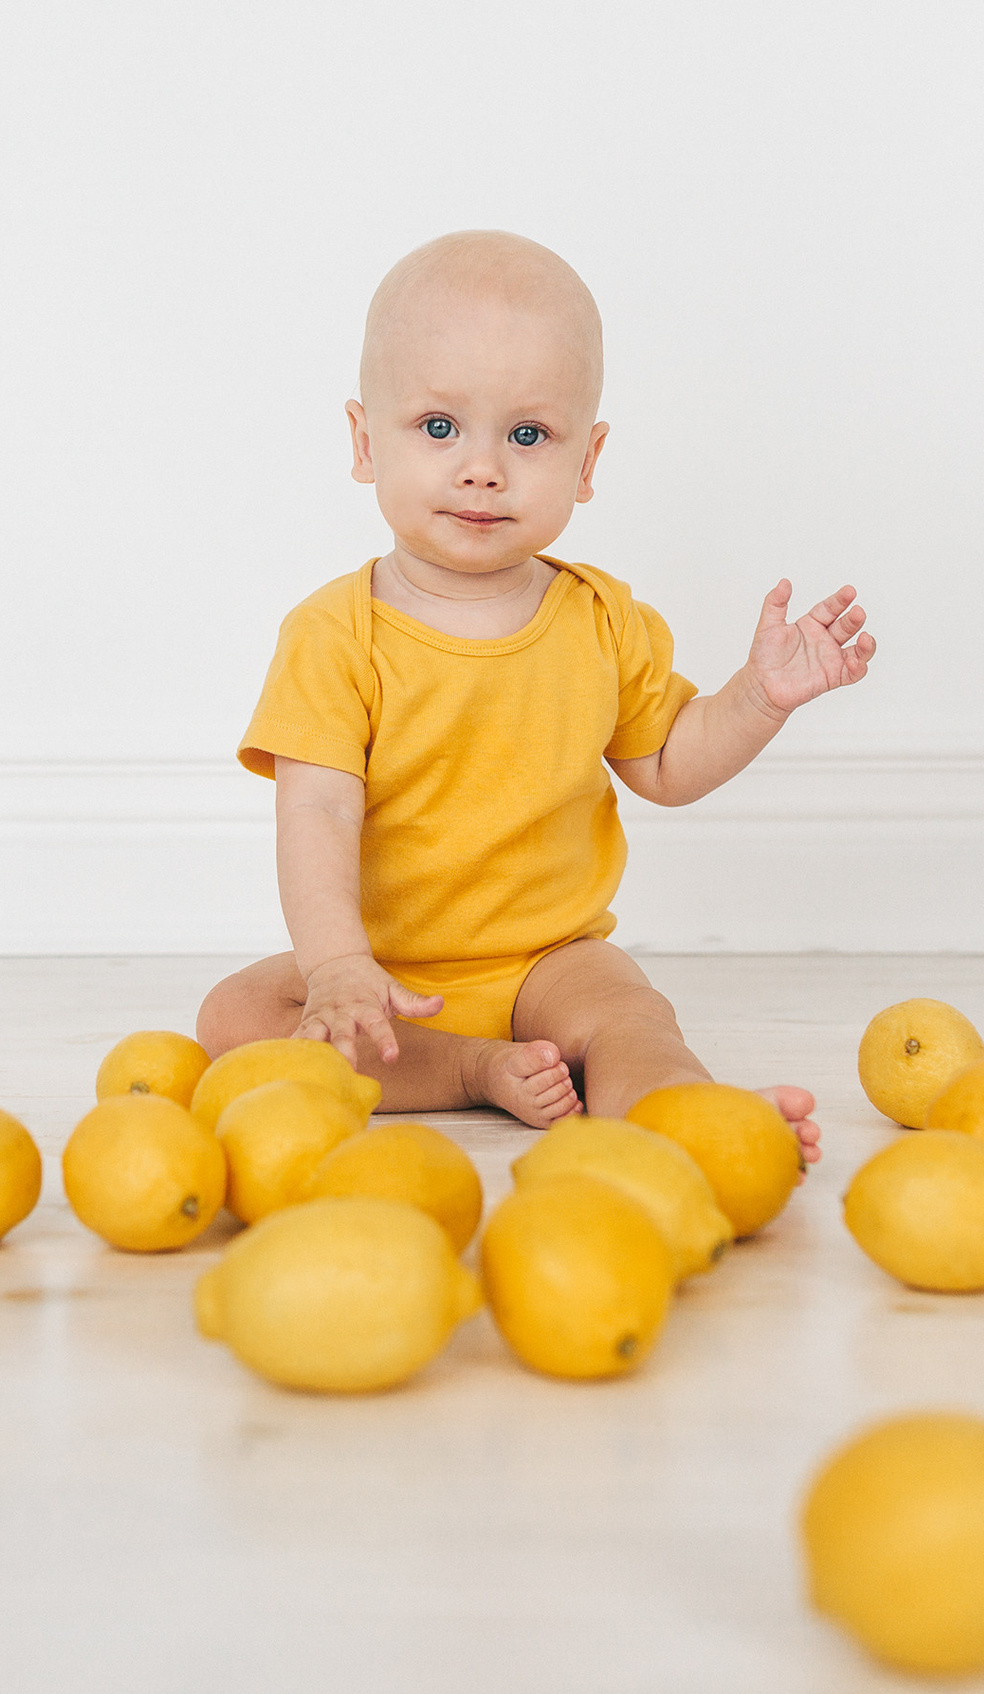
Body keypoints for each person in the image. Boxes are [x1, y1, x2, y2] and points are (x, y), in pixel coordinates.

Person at [196, 231, 876, 1161]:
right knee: (236, 1017)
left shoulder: (599, 620)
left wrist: (759, 697)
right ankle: (472, 1068)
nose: (484, 468)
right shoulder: (333, 635)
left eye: (527, 435)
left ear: (587, 461)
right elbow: (314, 807)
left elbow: (669, 764)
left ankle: (695, 1122)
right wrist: (340, 968)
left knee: (632, 1014)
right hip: (388, 971)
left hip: (552, 962)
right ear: (364, 441)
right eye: (439, 428)